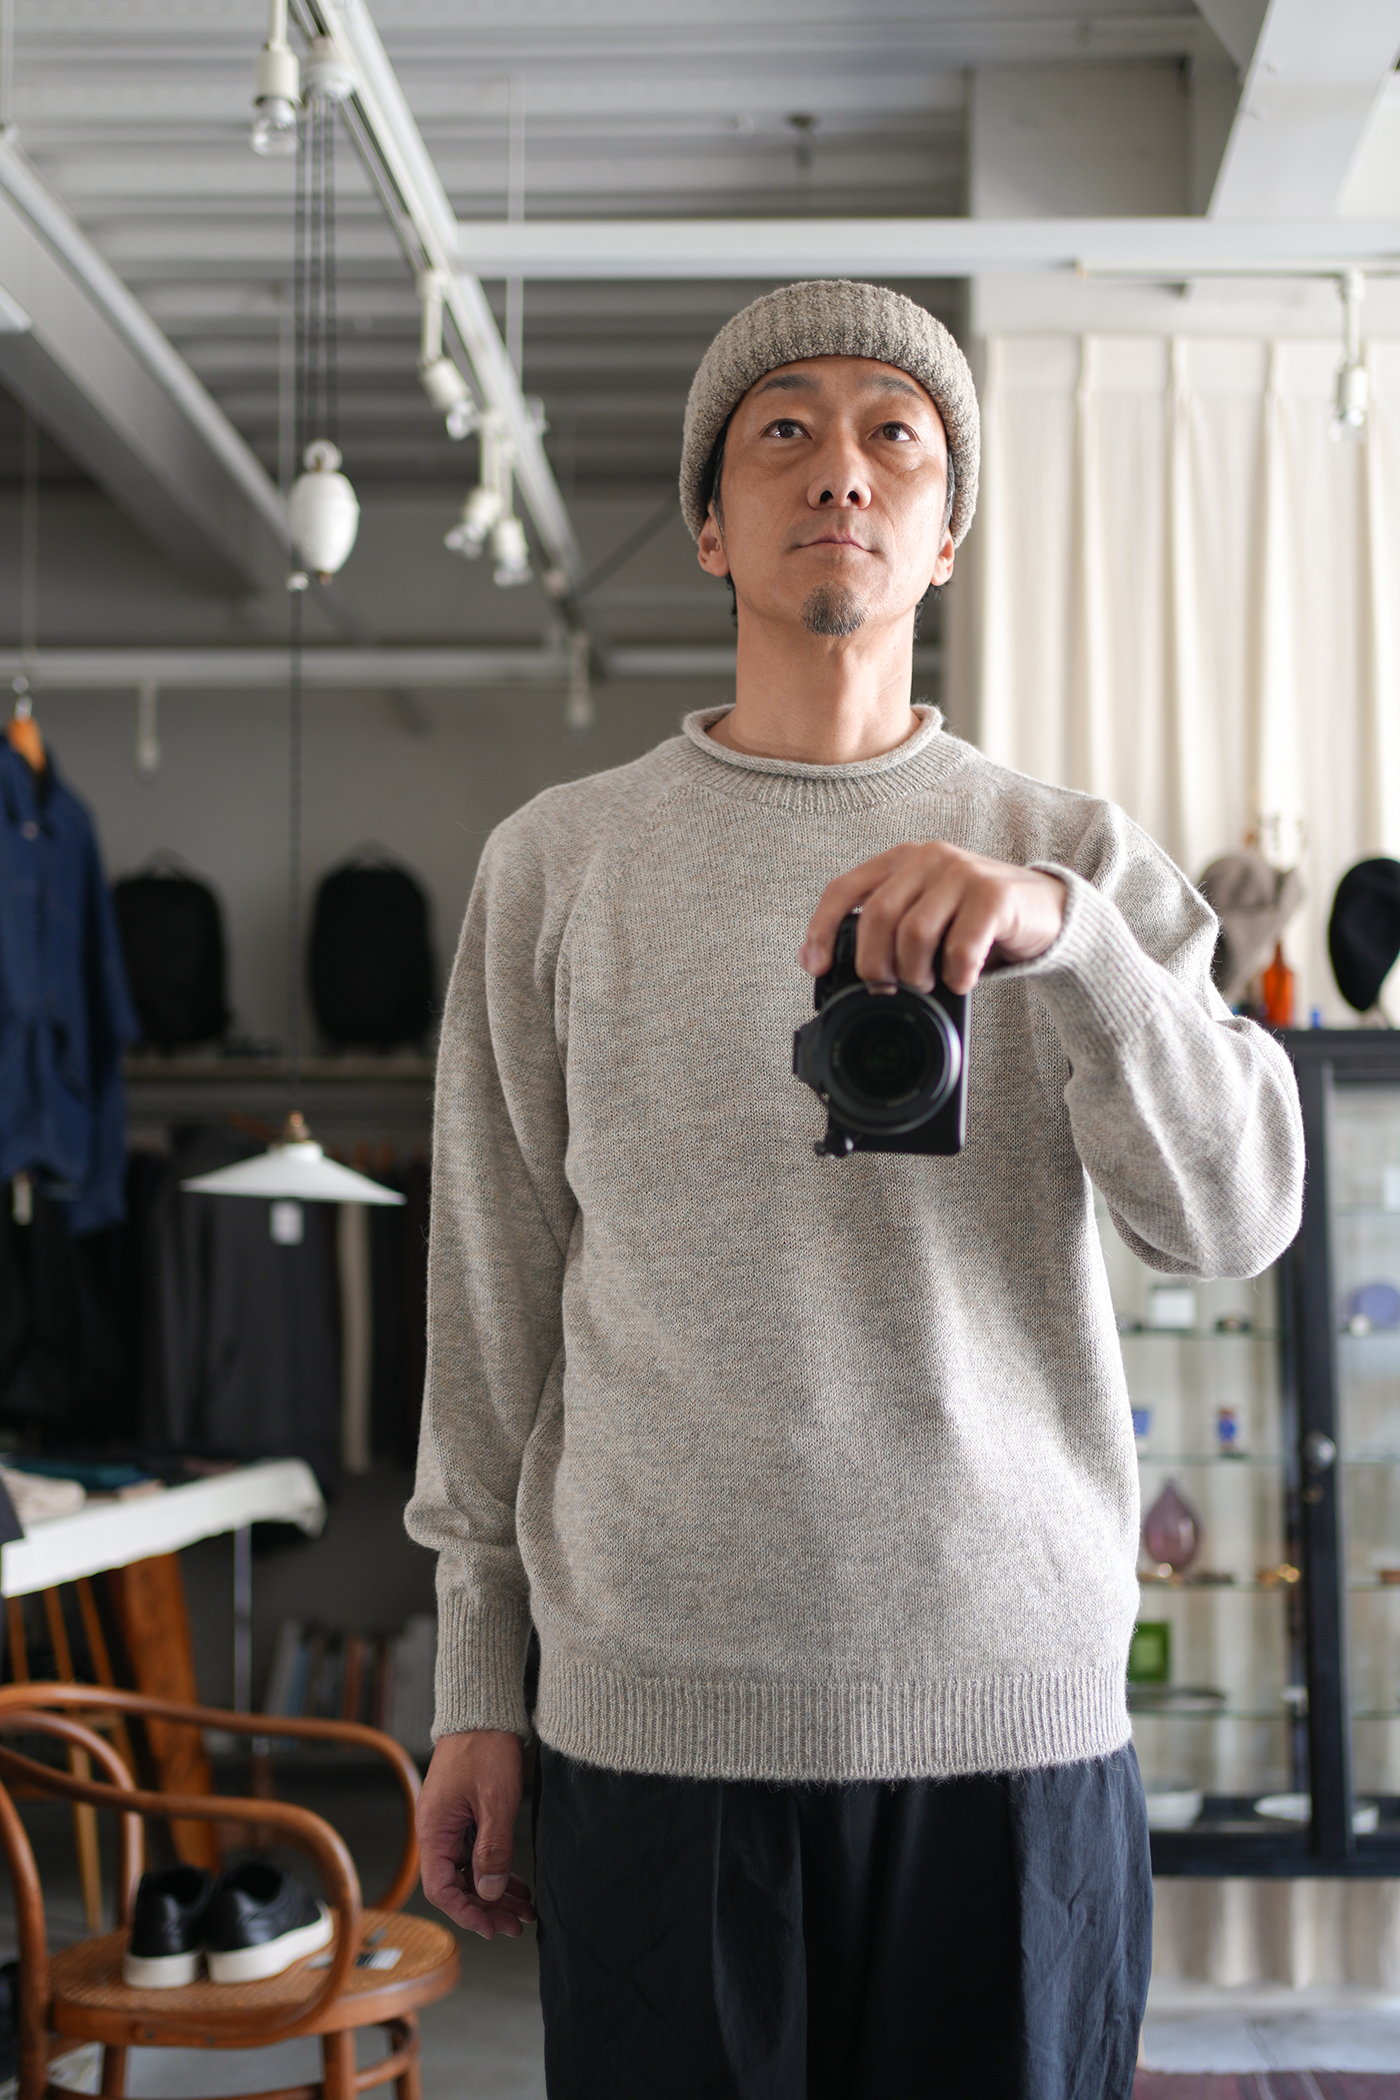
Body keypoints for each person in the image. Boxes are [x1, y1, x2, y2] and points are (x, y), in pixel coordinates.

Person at [407, 280, 1304, 2100]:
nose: (842, 469)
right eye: (783, 431)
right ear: (710, 524)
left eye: (896, 434)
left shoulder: (1071, 856)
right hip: (653, 1716)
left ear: (946, 532)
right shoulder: (559, 866)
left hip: (1011, 1717)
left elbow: (1237, 1218)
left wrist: (1074, 945)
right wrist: (478, 1685)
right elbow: (490, 1301)